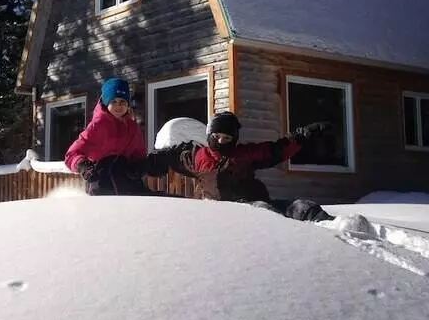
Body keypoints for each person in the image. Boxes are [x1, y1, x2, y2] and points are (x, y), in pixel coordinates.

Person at [144, 111, 335, 222]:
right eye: (217, 136)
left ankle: (338, 229)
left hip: (253, 201)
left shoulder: (245, 153)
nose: (221, 141)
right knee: (265, 213)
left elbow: (277, 150)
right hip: (221, 214)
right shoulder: (197, 156)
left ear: (234, 139)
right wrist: (148, 163)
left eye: (227, 138)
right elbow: (170, 156)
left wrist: (303, 135)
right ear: (209, 135)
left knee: (305, 207)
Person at [64, 77, 152, 196]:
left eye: (123, 102)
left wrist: (139, 166)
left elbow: (139, 154)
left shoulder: (133, 128)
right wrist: (83, 166)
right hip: (101, 183)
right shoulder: (97, 126)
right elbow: (71, 155)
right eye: (113, 101)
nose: (118, 106)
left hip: (129, 184)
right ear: (106, 102)